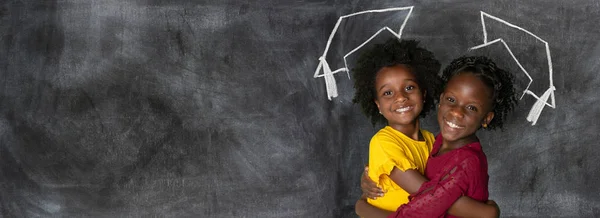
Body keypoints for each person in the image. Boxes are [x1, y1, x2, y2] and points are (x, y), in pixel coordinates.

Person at [355, 56, 518, 218]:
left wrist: (361, 207)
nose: (400, 97)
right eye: (388, 92)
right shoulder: (388, 142)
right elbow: (432, 194)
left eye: (410, 87)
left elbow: (435, 197)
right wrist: (485, 212)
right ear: (377, 104)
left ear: (423, 94)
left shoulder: (433, 141)